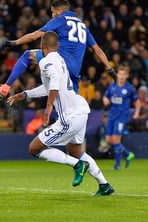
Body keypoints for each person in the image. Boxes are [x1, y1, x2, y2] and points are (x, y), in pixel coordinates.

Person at [8, 31, 114, 196]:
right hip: (81, 110)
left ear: (42, 46)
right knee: (76, 150)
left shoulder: (46, 62)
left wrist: (48, 108)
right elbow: (49, 86)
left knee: (34, 149)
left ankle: (77, 165)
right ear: (57, 46)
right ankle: (104, 184)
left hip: (69, 117)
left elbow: (55, 83)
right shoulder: (60, 59)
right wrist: (25, 94)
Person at [0, 0, 115, 97]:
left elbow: (35, 35)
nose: (52, 15)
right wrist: (109, 68)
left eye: (52, 12)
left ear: (59, 10)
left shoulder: (61, 19)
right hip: (75, 71)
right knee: (71, 106)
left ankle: (6, 87)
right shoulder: (83, 26)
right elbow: (97, 50)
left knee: (27, 55)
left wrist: (14, 42)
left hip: (59, 63)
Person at [102, 62, 141, 170]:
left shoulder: (130, 88)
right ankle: (128, 154)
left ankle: (117, 165)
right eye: (120, 74)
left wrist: (137, 112)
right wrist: (105, 100)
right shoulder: (112, 86)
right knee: (108, 140)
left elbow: (137, 102)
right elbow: (106, 96)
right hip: (111, 116)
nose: (122, 76)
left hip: (121, 117)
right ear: (117, 74)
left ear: (127, 75)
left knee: (115, 140)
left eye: (124, 74)